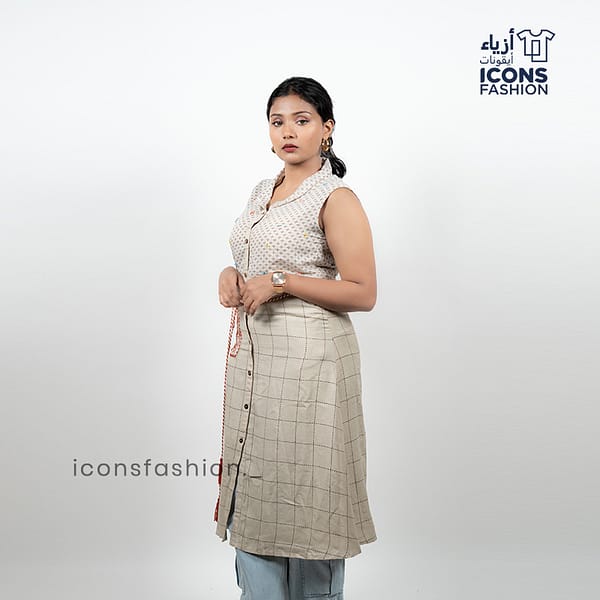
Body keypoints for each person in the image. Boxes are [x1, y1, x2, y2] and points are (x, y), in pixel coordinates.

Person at [215, 76, 377, 600]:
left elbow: (363, 292)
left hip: (312, 367)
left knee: (310, 490)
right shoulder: (261, 192)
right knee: (257, 489)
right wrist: (231, 275)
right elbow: (254, 261)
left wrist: (281, 281)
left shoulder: (336, 197)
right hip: (257, 364)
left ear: (326, 129)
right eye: (278, 121)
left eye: (302, 121)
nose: (288, 131)